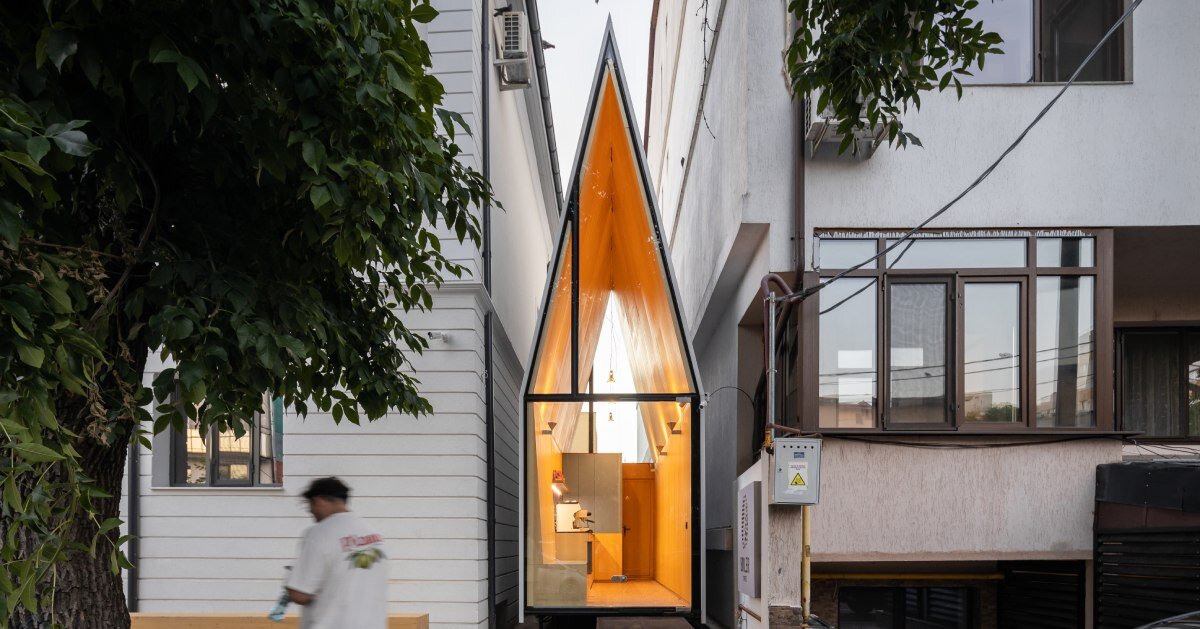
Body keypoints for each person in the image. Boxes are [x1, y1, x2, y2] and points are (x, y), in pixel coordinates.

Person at [286, 477, 388, 629]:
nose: (310, 511)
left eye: (310, 505)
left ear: (318, 500)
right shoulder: (375, 536)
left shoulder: (319, 534)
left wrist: (291, 576)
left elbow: (300, 595)